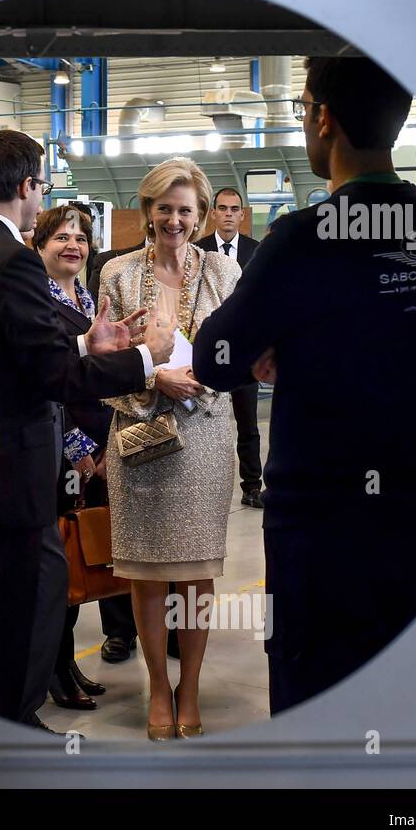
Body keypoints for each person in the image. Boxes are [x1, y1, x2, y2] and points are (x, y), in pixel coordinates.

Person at [193, 56, 416, 715]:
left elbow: (213, 357)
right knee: (411, 701)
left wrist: (290, 345)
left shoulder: (303, 238)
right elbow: (413, 344)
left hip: (326, 527)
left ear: (323, 118)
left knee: (317, 700)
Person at [0, 129, 174, 728]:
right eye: (43, 185)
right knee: (23, 615)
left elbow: (11, 351)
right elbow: (52, 374)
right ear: (26, 187)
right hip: (12, 477)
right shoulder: (10, 257)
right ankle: (9, 731)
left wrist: (90, 339)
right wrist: (145, 358)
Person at [98, 157, 241, 740]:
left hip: (205, 436)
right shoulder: (116, 274)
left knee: (198, 575)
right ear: (147, 212)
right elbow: (99, 359)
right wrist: (155, 378)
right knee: (147, 575)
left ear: (201, 215)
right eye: (165, 209)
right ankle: (158, 687)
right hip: (138, 438)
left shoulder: (225, 276)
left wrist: (199, 378)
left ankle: (191, 687)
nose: (175, 220)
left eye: (186, 210)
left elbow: (237, 354)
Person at [31, 205, 111, 710]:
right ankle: (53, 670)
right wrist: (81, 451)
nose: (73, 247)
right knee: (58, 568)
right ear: (39, 246)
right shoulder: (35, 300)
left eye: (81, 238)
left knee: (79, 564)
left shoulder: (86, 296)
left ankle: (67, 664)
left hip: (101, 446)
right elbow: (47, 386)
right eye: (61, 237)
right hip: (63, 450)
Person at [197, 187, 265, 508]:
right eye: (221, 208)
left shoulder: (257, 251)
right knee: (203, 421)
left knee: (247, 423)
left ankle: (252, 486)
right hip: (208, 351)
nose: (227, 213)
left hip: (244, 352)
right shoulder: (197, 251)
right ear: (213, 213)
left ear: (242, 214)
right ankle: (204, 486)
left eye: (233, 209)